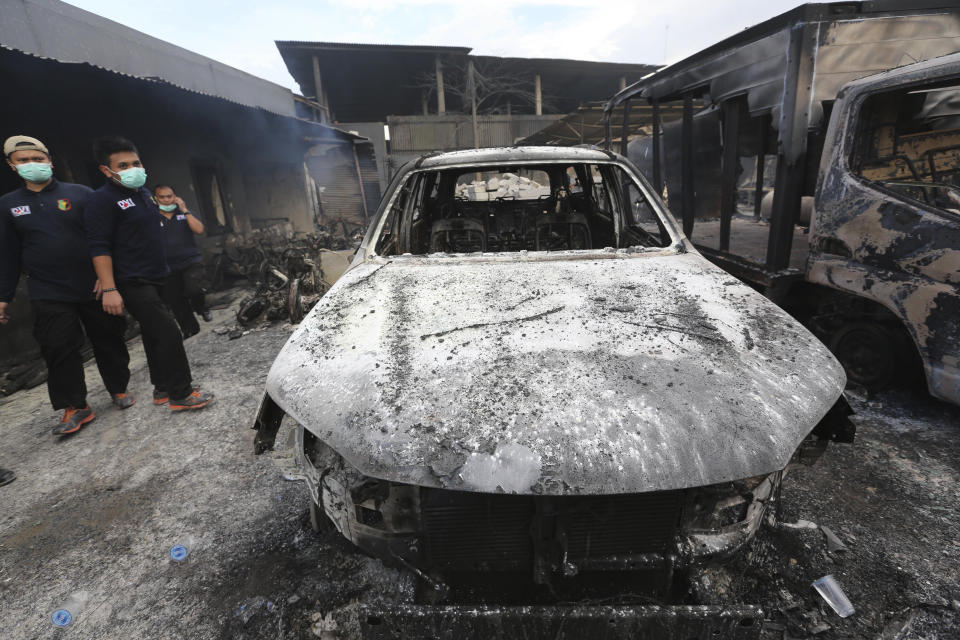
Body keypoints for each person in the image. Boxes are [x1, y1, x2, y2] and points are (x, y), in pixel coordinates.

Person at [1, 135, 134, 436]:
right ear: (11, 165)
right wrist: (3, 296)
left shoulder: (81, 194)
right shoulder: (8, 205)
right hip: (47, 289)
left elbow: (105, 238)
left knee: (109, 338)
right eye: (23, 161)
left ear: (49, 160)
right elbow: (7, 254)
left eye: (38, 158)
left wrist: (107, 278)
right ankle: (75, 406)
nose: (32, 165)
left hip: (93, 283)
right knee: (58, 347)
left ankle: (119, 388)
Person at [85, 136, 213, 411]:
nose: (133, 169)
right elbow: (99, 247)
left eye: (136, 162)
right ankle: (181, 393)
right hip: (132, 280)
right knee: (169, 332)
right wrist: (108, 287)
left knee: (153, 334)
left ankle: (162, 388)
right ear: (106, 171)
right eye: (124, 165)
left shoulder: (143, 194)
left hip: (158, 275)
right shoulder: (101, 201)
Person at [154, 184, 211, 338]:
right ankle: (190, 328)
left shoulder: (183, 213)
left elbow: (199, 230)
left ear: (175, 197)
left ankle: (201, 307)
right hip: (167, 266)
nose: (166, 200)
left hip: (190, 261)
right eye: (162, 197)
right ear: (155, 198)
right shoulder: (152, 216)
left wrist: (185, 210)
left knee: (194, 289)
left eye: (169, 196)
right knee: (176, 300)